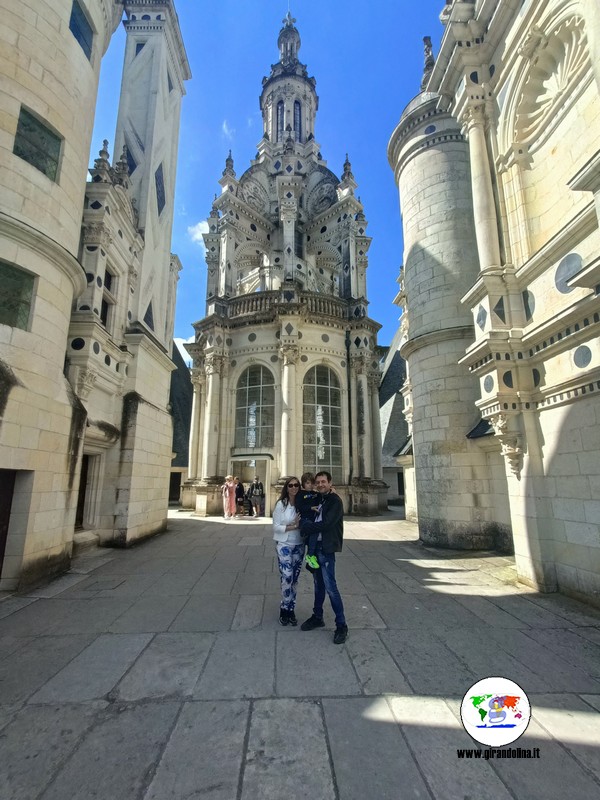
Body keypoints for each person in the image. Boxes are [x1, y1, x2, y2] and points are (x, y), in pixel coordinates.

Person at [300, 470, 348, 644]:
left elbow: (327, 524)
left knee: (331, 587)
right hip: (314, 548)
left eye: (323, 482)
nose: (320, 484)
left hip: (326, 549)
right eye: (317, 482)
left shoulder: (335, 501)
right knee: (318, 585)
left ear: (330, 483)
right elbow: (301, 501)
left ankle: (341, 625)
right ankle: (317, 616)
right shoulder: (319, 498)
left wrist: (306, 526)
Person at [272, 477, 303, 626]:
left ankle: (291, 609)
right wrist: (294, 526)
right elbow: (276, 527)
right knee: (287, 576)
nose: (294, 487)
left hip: (299, 545)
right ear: (286, 487)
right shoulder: (281, 504)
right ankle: (284, 608)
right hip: (284, 543)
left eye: (297, 485)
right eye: (290, 485)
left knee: (295, 579)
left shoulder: (302, 503)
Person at [296, 472, 320, 571]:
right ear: (303, 484)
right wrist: (311, 508)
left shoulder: (315, 494)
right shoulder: (301, 494)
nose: (310, 485)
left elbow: (322, 497)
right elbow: (299, 506)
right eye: (308, 483)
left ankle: (311, 559)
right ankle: (309, 555)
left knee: (313, 533)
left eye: (312, 483)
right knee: (313, 529)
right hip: (304, 520)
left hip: (312, 520)